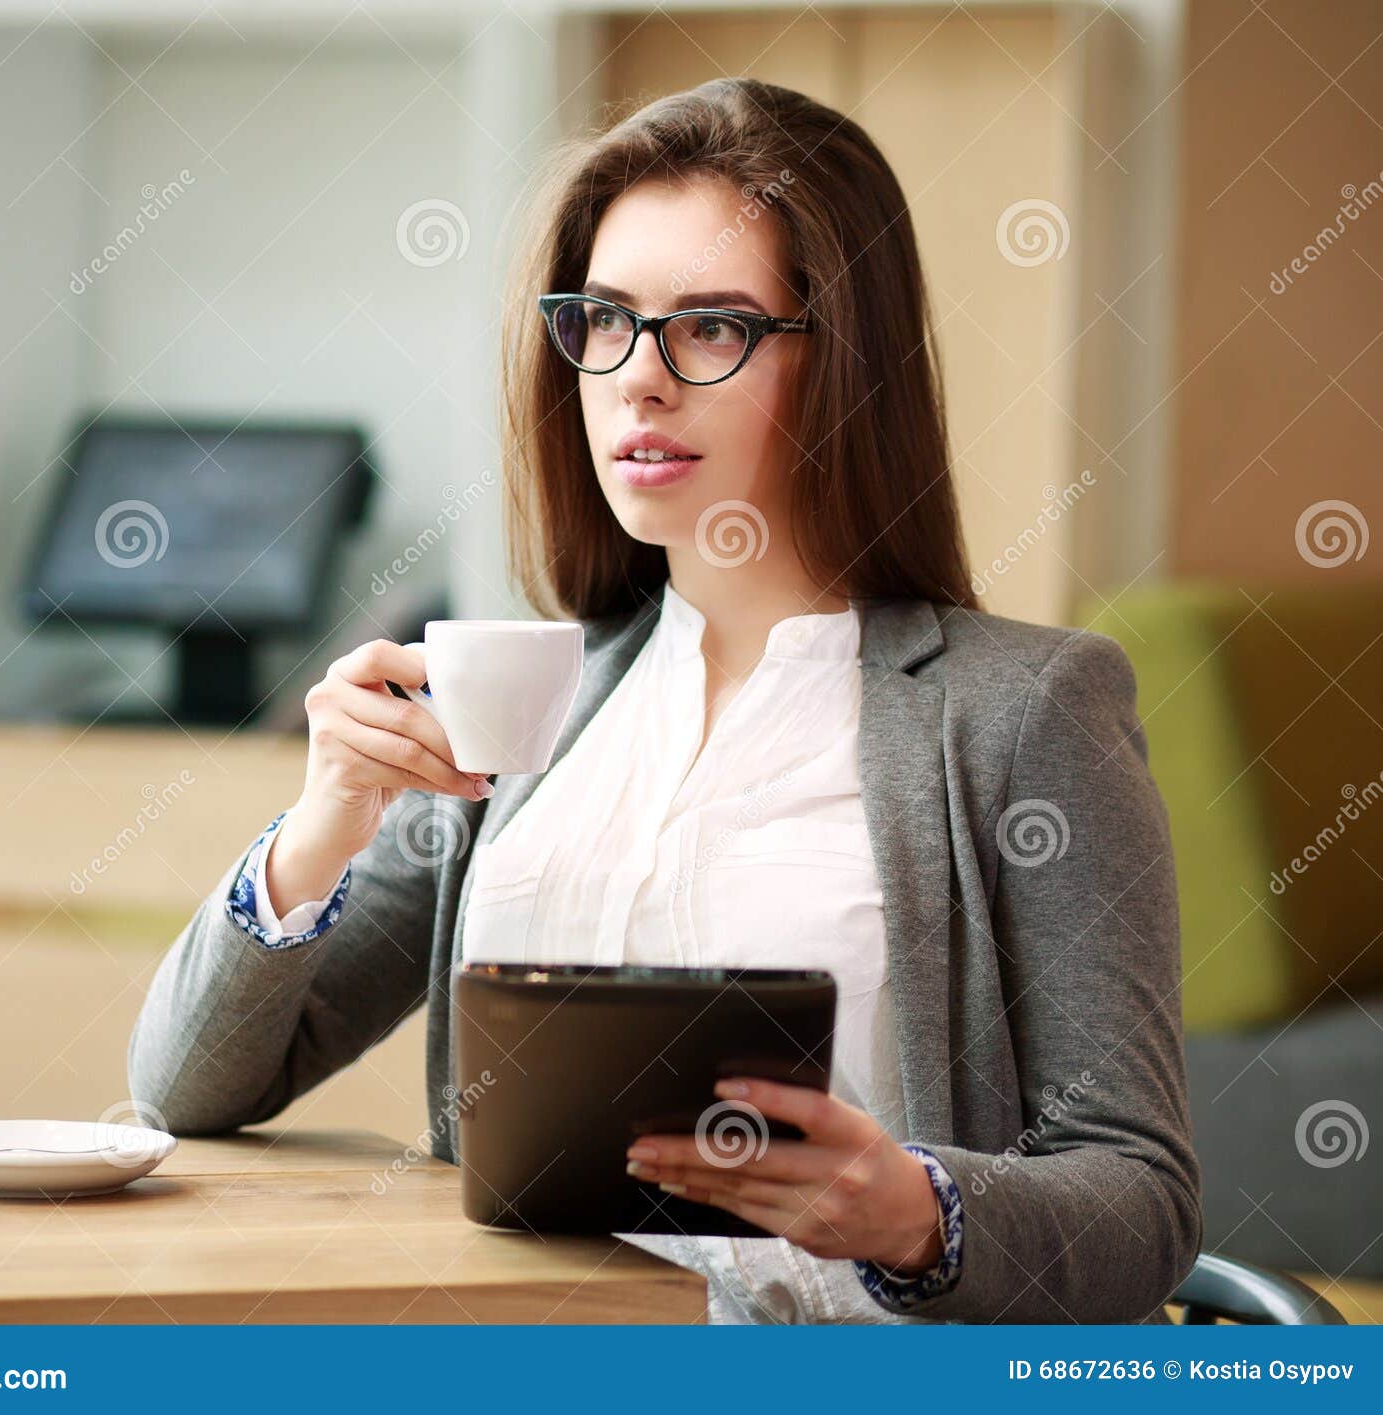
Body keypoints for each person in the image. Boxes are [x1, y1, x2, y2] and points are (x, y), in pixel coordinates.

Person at [128, 76, 1199, 1324]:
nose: (636, 379)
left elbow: (1143, 1200)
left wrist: (915, 1208)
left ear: (843, 362)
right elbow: (187, 1088)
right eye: (606, 320)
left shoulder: (1021, 711)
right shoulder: (534, 698)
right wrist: (323, 824)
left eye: (709, 327)